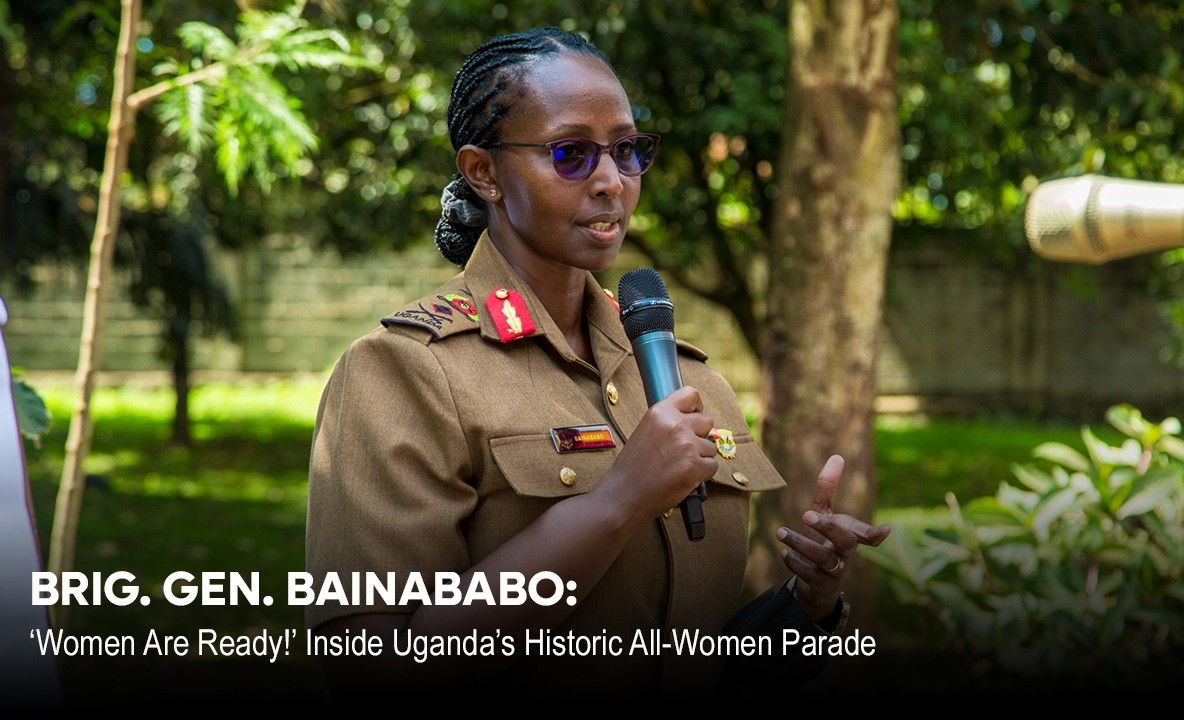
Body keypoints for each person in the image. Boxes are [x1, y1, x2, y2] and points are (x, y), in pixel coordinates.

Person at [305, 26, 890, 702]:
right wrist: (617, 502)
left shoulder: (688, 380)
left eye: (626, 150)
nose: (612, 182)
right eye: (571, 153)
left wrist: (807, 607)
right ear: (484, 172)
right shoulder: (403, 374)